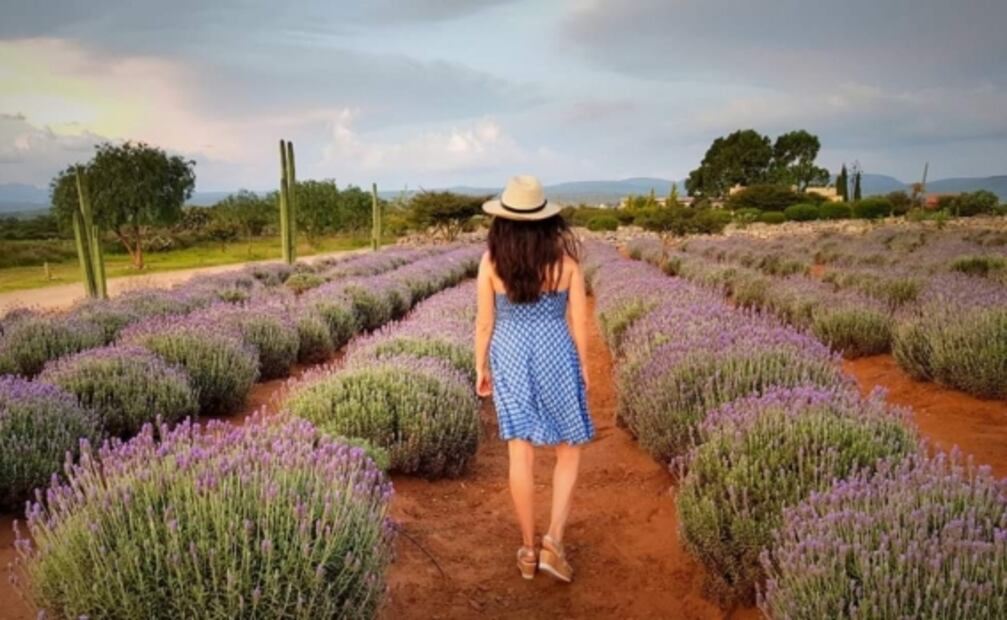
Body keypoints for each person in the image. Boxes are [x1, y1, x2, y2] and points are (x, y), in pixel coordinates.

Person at [474, 175, 595, 583]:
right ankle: (553, 542)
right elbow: (580, 322)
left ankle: (527, 550)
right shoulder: (567, 265)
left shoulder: (491, 263)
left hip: (509, 352)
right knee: (569, 448)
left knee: (519, 452)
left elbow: (484, 323)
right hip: (556, 352)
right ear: (547, 222)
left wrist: (480, 367)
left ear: (503, 222)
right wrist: (583, 366)